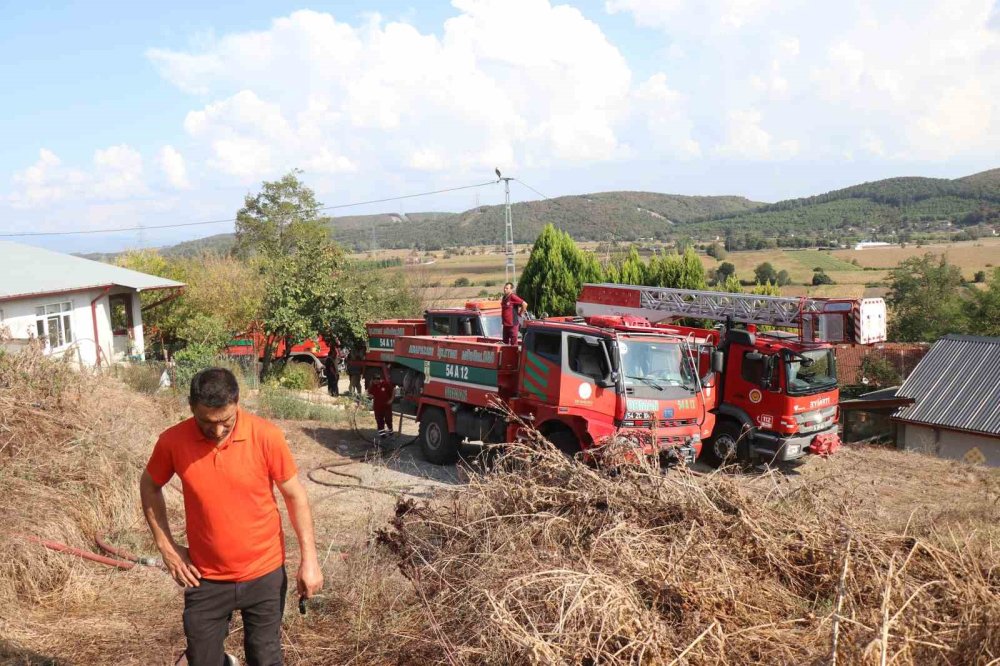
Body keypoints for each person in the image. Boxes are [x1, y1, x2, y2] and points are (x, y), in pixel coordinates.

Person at [139, 368, 323, 666]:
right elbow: (149, 485)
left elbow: (295, 496)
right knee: (202, 660)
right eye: (206, 423)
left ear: (237, 403)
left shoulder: (266, 436)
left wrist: (310, 560)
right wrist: (167, 547)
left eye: (226, 421)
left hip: (264, 573)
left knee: (266, 658)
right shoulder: (173, 441)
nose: (218, 431)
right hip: (205, 577)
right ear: (191, 408)